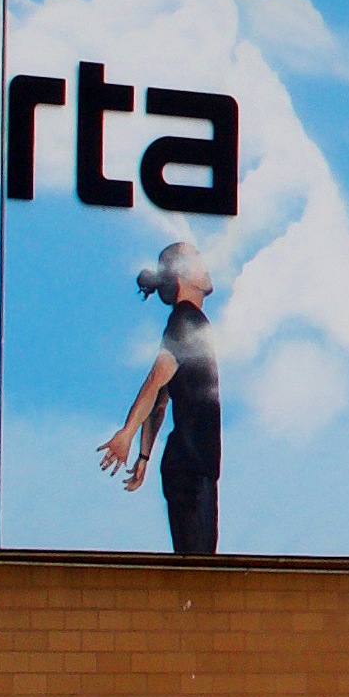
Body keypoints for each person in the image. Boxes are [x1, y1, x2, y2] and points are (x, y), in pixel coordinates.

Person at [97, 238, 222, 557]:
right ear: (182, 274)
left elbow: (162, 400)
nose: (205, 265)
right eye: (197, 258)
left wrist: (144, 456)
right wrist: (127, 432)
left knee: (198, 564)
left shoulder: (188, 322)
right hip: (192, 469)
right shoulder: (185, 320)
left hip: (192, 465)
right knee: (198, 570)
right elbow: (155, 380)